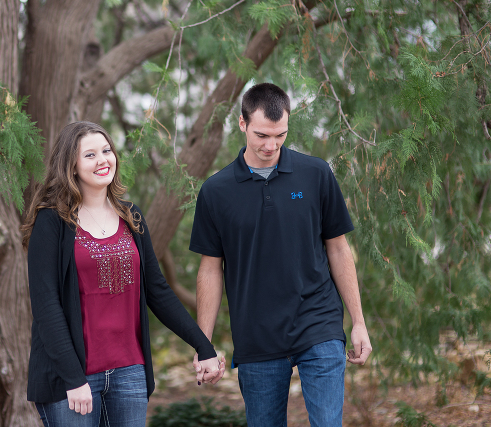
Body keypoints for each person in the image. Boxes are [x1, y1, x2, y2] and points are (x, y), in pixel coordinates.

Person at [190, 83, 372, 427]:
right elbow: (210, 271)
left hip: (318, 324)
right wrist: (204, 344)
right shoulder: (216, 192)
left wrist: (358, 322)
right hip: (256, 335)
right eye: (261, 135)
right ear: (242, 124)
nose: (270, 145)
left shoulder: (316, 174)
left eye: (280, 135)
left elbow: (337, 248)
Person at [23, 121, 224, 427]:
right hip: (72, 376)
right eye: (89, 155)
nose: (102, 159)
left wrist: (203, 346)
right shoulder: (51, 222)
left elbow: (157, 291)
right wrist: (73, 378)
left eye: (106, 150)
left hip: (129, 371)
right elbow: (46, 305)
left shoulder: (131, 216)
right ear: (71, 166)